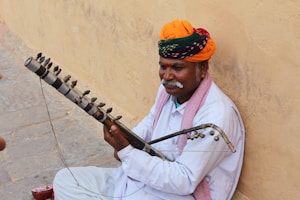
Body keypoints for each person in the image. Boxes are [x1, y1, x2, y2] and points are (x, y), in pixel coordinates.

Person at [53, 19, 245, 200]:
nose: (167, 75)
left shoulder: (216, 115)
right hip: (144, 181)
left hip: (179, 194)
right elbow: (150, 121)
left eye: (177, 68)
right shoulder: (167, 90)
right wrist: (125, 139)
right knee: (66, 180)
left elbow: (184, 181)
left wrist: (127, 152)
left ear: (201, 68)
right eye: (163, 66)